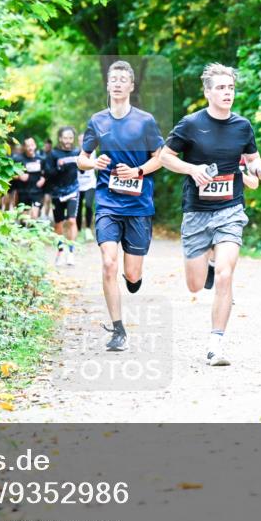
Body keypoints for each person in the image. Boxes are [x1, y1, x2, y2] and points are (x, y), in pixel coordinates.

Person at [161, 63, 261, 367]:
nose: (227, 93)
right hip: (196, 212)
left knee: (226, 275)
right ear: (207, 91)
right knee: (195, 285)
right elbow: (165, 157)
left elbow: (251, 159)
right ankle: (206, 263)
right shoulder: (191, 124)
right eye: (221, 88)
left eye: (231, 88)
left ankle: (215, 345)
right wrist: (191, 168)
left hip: (230, 210)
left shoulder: (242, 126)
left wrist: (259, 170)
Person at [77, 60, 165, 351]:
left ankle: (133, 279)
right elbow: (82, 158)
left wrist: (138, 171)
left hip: (138, 205)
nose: (116, 83)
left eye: (122, 79)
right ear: (108, 85)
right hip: (107, 203)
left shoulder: (145, 121)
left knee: (132, 273)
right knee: (107, 263)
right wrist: (93, 162)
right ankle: (118, 330)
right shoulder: (97, 121)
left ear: (130, 86)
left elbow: (159, 157)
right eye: (112, 79)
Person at [44, 126, 81, 265]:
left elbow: (82, 170)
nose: (68, 141)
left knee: (72, 221)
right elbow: (48, 174)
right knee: (58, 223)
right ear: (60, 138)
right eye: (65, 138)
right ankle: (60, 251)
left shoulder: (77, 152)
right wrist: (58, 167)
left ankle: (71, 252)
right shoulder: (53, 154)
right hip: (57, 192)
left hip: (73, 190)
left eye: (70, 138)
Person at [13, 137, 45, 220]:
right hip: (23, 192)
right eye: (28, 146)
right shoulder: (18, 159)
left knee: (34, 217)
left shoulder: (41, 159)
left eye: (32, 145)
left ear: (35, 146)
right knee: (24, 220)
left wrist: (43, 179)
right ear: (24, 147)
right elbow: (10, 175)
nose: (30, 148)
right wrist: (19, 176)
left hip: (36, 192)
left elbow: (47, 173)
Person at [77, 161, 97, 241]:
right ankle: (79, 230)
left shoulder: (92, 153)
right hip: (78, 186)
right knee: (78, 209)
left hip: (90, 184)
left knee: (88, 205)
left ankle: (88, 229)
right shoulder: (76, 154)